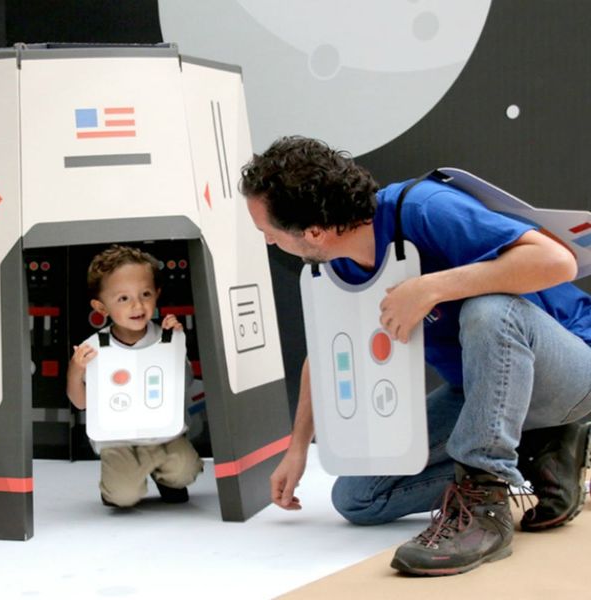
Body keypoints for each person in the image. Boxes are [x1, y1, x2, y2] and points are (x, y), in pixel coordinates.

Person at [239, 136, 591, 576]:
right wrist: (297, 448)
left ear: (313, 232)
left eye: (269, 232)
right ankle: (541, 454)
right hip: (483, 390)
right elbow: (324, 350)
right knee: (357, 498)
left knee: (488, 311)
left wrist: (431, 287)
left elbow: (557, 261)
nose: (269, 241)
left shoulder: (424, 209)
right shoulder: (338, 264)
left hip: (571, 373)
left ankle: (485, 506)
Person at [67, 244, 203, 508]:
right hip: (117, 440)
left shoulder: (166, 337)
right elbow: (80, 402)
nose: (137, 305)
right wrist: (76, 370)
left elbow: (185, 382)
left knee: (185, 471)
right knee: (123, 495)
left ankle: (167, 479)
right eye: (123, 298)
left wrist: (175, 346)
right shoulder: (93, 349)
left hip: (164, 435)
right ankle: (116, 486)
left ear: (157, 294)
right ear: (101, 307)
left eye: (145, 294)